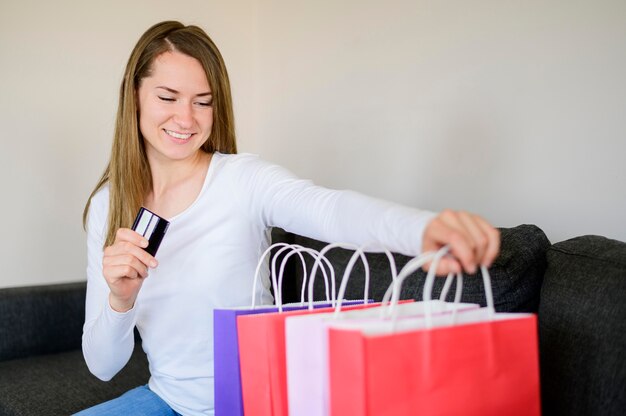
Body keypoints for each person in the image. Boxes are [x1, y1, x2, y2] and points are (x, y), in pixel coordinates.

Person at [77, 20, 500, 416]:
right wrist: (121, 300)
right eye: (167, 97)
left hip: (253, 403)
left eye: (202, 102)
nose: (185, 118)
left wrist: (422, 229)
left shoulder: (242, 180)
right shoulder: (109, 205)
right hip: (166, 399)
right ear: (134, 96)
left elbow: (329, 209)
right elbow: (102, 367)